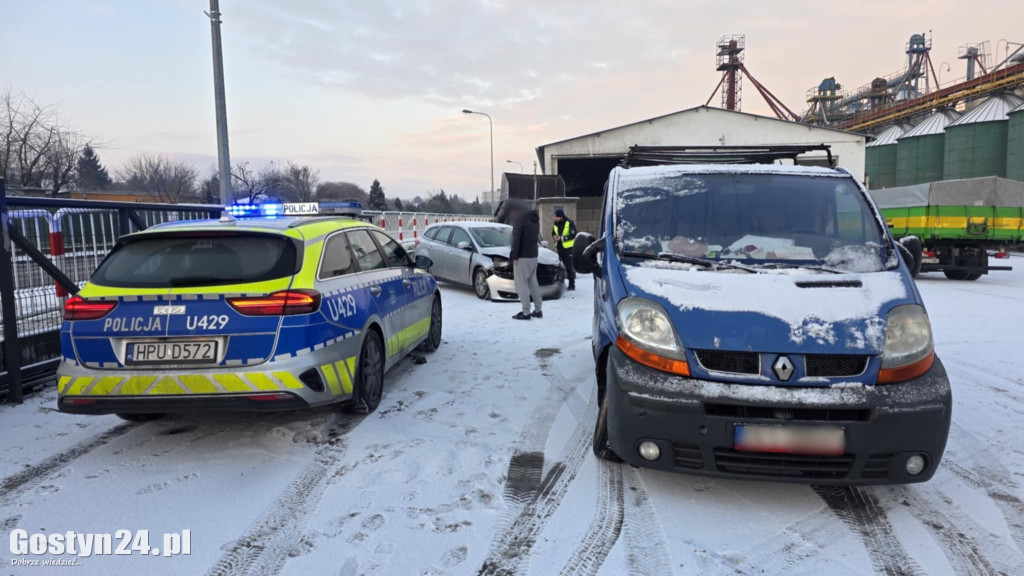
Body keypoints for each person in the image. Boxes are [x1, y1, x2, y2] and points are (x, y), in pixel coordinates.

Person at [509, 202, 542, 320]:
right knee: (533, 283)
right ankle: (538, 310)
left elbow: (516, 239)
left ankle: (526, 312)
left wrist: (514, 256)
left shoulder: (520, 220)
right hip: (533, 256)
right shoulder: (535, 220)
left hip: (522, 257)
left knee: (521, 284)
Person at [552, 209, 577, 290]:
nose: (556, 219)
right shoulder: (556, 223)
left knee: (569, 267)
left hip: (568, 249)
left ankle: (572, 285)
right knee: (558, 267)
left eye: (557, 217)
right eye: (555, 217)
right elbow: (553, 232)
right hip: (559, 248)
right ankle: (560, 284)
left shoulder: (569, 223)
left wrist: (561, 238)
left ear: (561, 217)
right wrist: (554, 237)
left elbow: (573, 234)